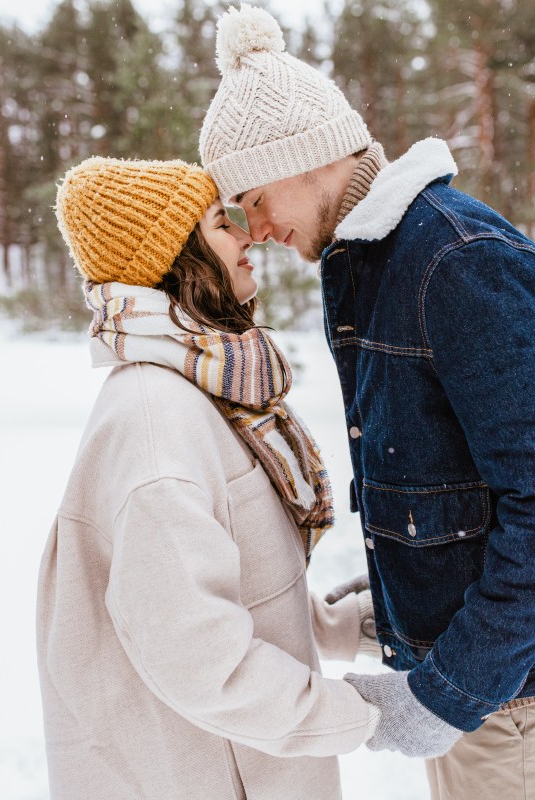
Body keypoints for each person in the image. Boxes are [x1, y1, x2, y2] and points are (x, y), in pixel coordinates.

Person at [198, 6, 535, 798]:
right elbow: (453, 472)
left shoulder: (456, 264)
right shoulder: (379, 264)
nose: (254, 230)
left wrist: (449, 693)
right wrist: (406, 593)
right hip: (487, 673)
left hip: (517, 691)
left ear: (307, 159)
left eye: (256, 198)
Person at [35, 156, 384, 800]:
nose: (248, 235)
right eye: (221, 225)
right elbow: (199, 659)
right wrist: (367, 715)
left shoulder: (201, 390)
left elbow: (213, 592)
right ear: (175, 258)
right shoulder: (157, 426)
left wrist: (344, 628)